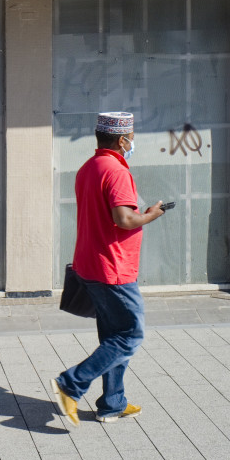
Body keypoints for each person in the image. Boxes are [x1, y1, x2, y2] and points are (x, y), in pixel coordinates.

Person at [53, 110, 167, 426]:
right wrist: (151, 215)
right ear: (122, 139)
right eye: (131, 138)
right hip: (113, 268)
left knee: (113, 336)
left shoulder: (88, 168)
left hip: (89, 264)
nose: (132, 143)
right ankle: (71, 383)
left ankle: (112, 403)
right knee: (130, 334)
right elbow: (124, 219)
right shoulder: (116, 171)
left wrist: (136, 215)